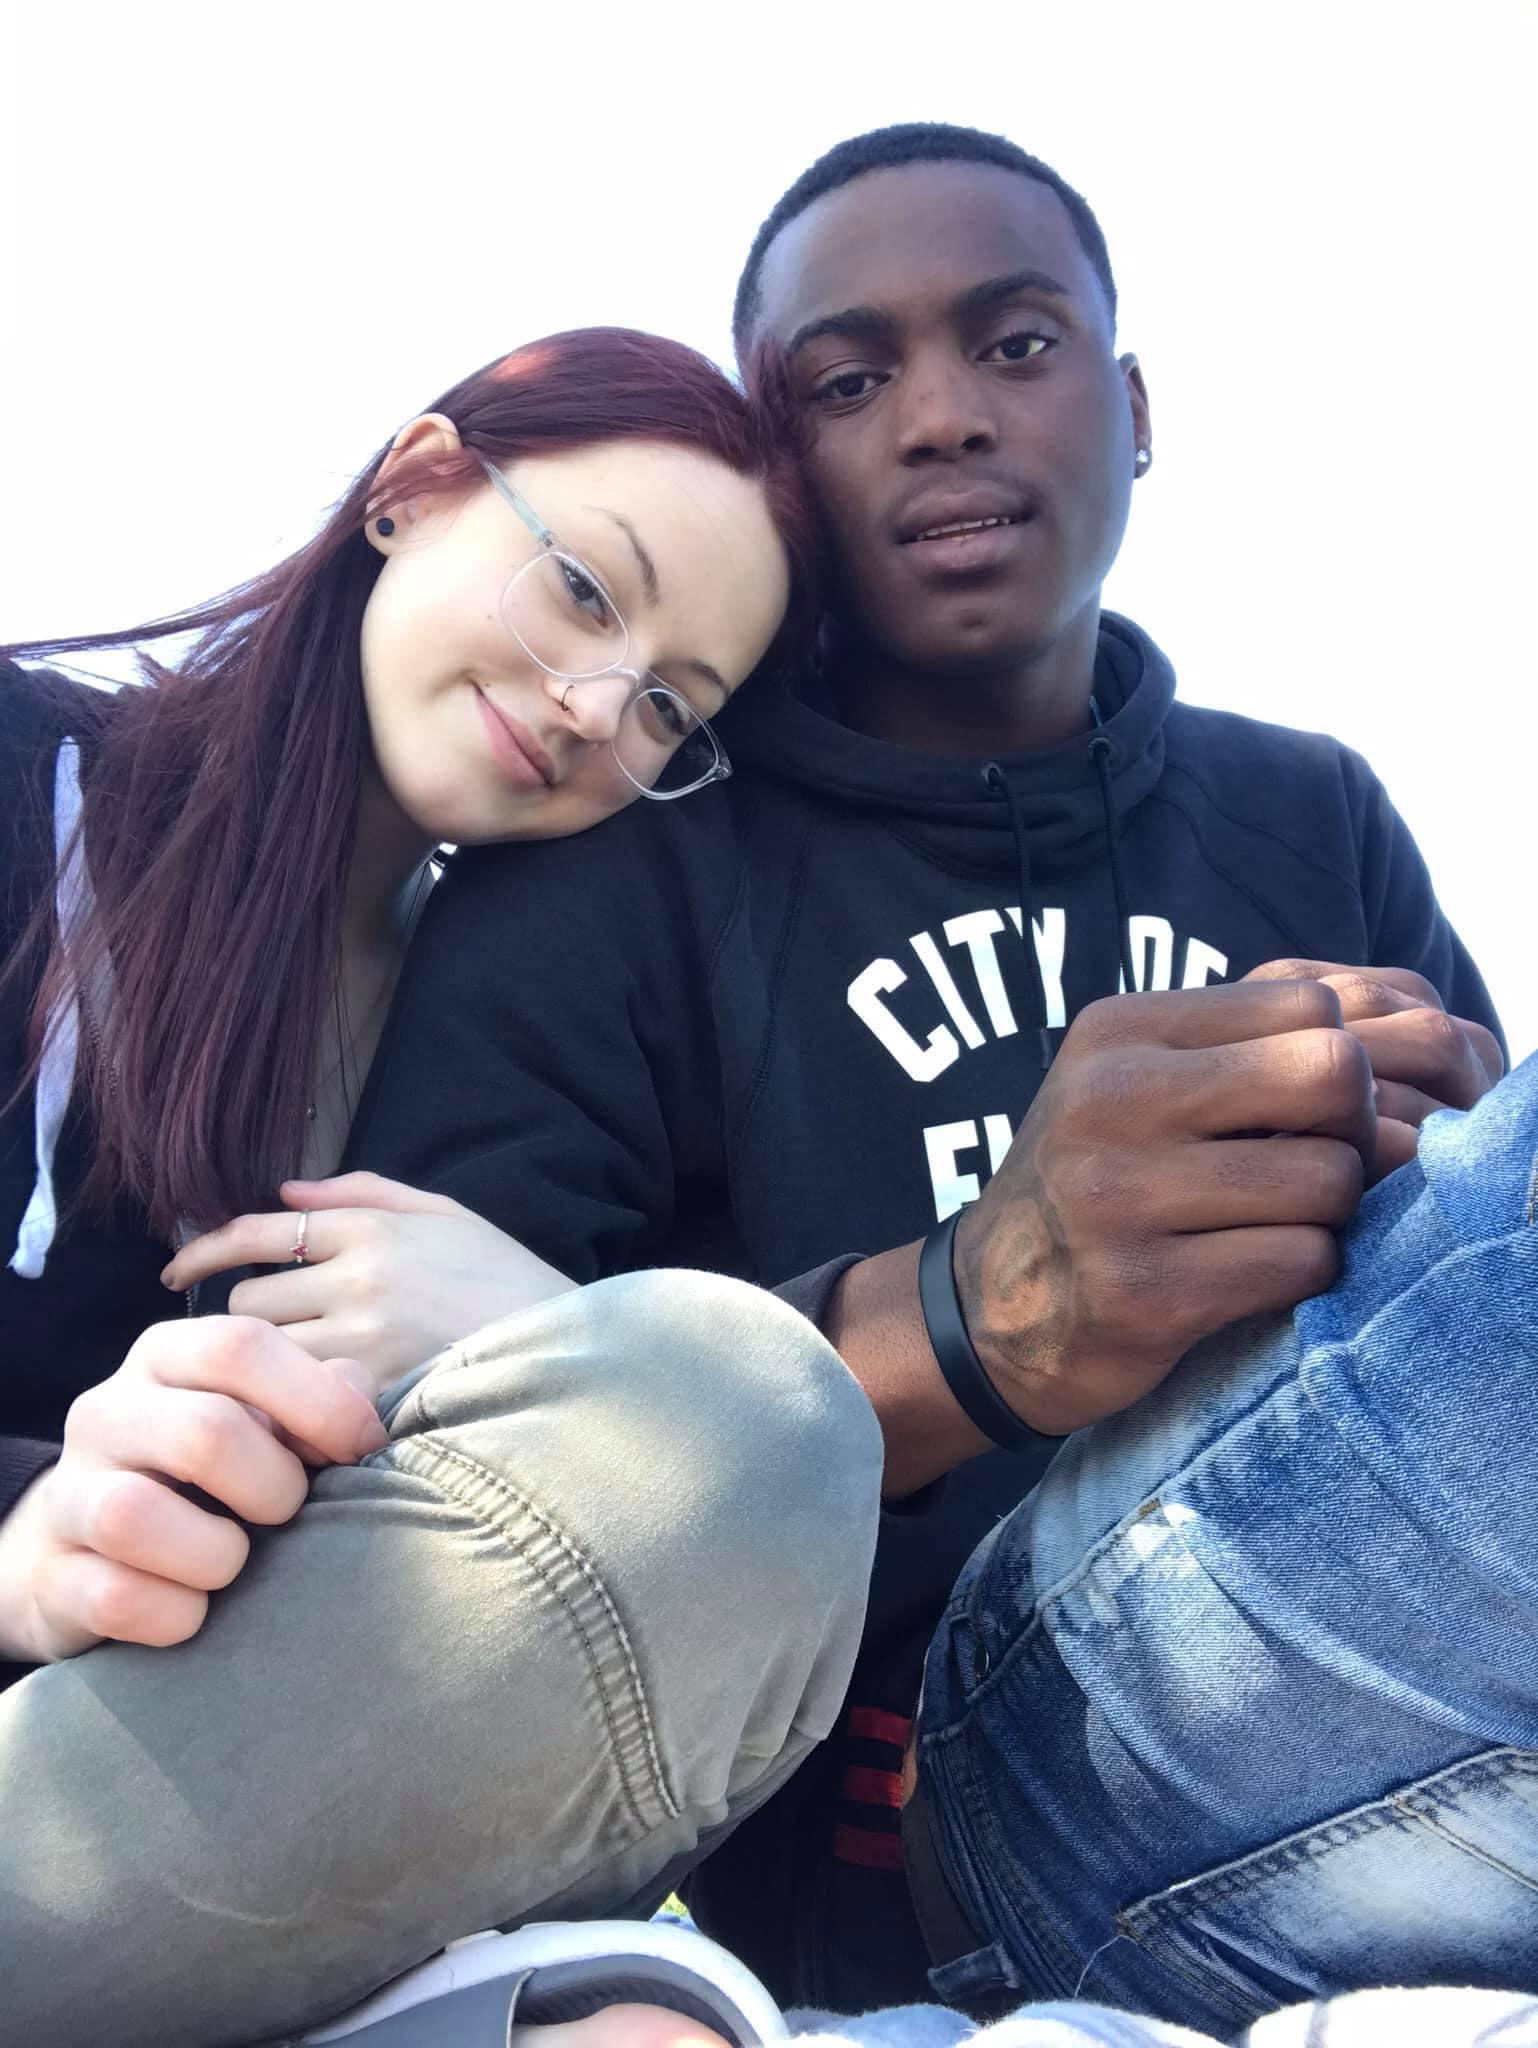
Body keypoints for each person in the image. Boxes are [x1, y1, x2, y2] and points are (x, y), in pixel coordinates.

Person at [329, 120, 1513, 2022]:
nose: (945, 416)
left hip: (1387, 1676)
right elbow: (432, 1529)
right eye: (845, 382)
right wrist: (962, 1320)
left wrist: (1441, 1195)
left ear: (1133, 410)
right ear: (780, 481)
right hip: (922, 1801)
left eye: (1016, 344)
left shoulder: (1309, 812)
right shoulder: (614, 863)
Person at [0, 329, 887, 2045]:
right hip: (62, 1825)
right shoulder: (25, 779)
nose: (594, 707)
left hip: (237, 1856)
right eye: (584, 592)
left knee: (742, 1440)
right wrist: (25, 1533)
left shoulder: (526, 1038)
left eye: (669, 708)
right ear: (413, 488)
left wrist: (548, 1336)